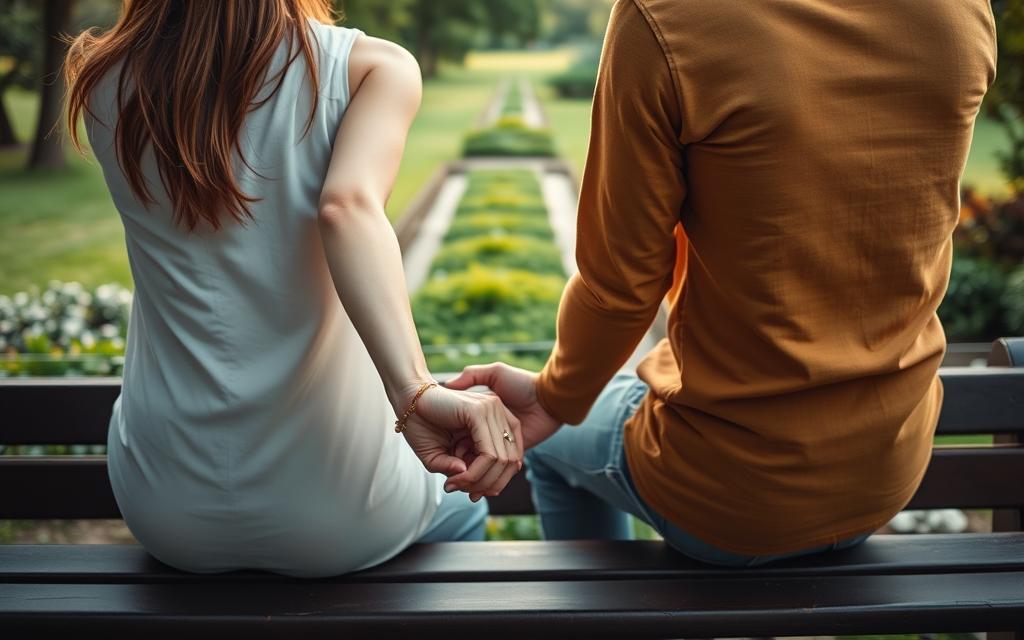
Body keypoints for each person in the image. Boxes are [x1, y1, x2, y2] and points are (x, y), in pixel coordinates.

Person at [447, 0, 997, 566]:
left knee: (553, 449)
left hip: (730, 493)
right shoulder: (959, 10)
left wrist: (554, 396)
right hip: (888, 469)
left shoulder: (666, 17)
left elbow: (620, 287)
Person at [63, 0, 522, 578]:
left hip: (165, 504)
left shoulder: (105, 78)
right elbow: (346, 207)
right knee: (462, 512)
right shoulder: (371, 69)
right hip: (341, 508)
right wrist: (414, 392)